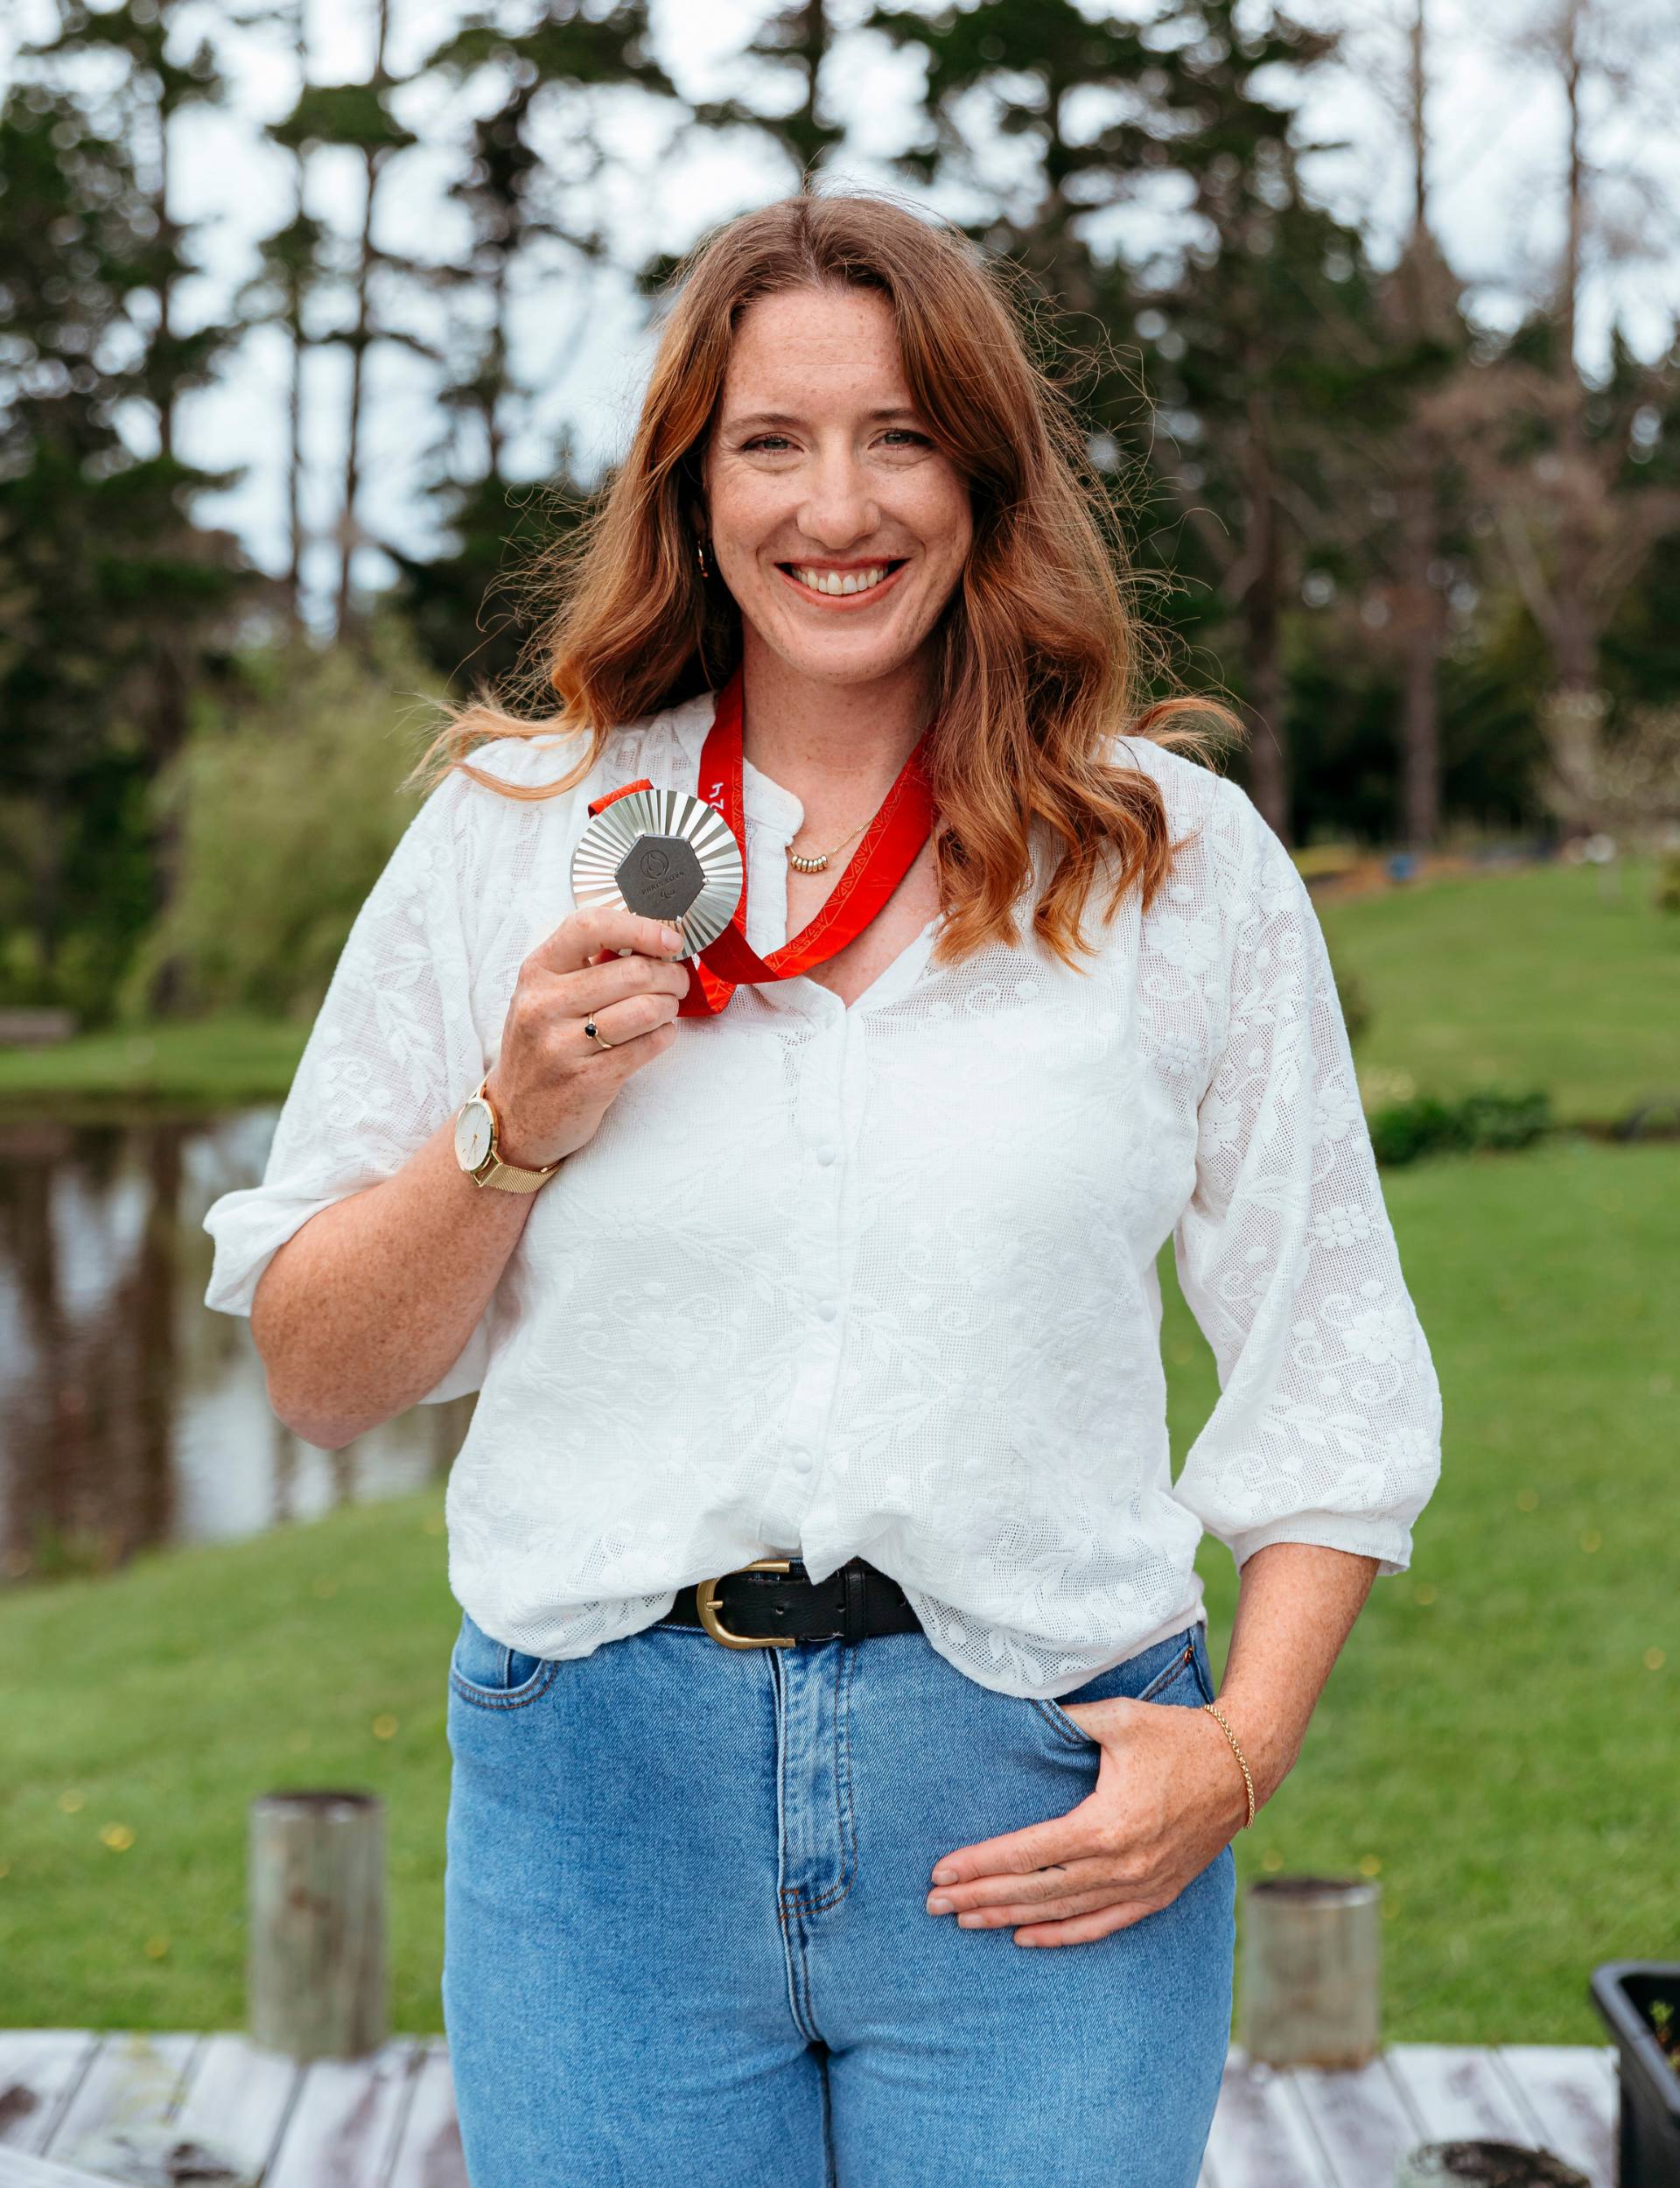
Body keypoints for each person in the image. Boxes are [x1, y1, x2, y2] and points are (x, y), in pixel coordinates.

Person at [202, 192, 1442, 2188]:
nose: (836, 504)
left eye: (898, 435)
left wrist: (1237, 1747)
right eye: (771, 442)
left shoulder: (1170, 861)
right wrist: (506, 1128)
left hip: (1038, 1789)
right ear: (692, 491)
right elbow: (320, 1371)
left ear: (984, 474)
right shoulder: (516, 840)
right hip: (601, 1800)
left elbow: (1335, 1369)